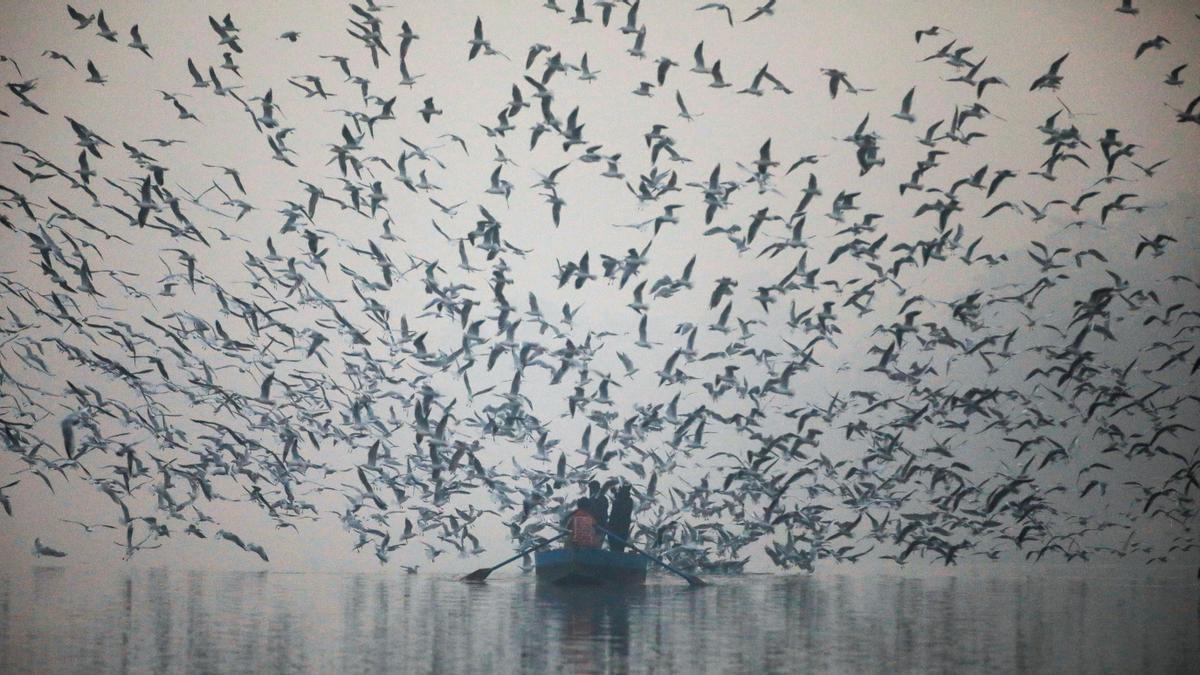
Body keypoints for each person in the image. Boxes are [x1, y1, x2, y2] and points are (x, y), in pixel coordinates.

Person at [607, 483, 634, 553]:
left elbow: (621, 503)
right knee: (617, 548)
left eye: (621, 489)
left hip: (618, 528)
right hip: (620, 529)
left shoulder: (627, 501)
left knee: (617, 547)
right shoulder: (628, 500)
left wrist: (614, 492)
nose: (619, 490)